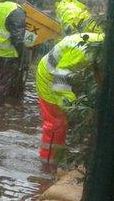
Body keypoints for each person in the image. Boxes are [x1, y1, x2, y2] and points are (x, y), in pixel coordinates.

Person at [35, 33, 104, 161]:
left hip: (59, 76)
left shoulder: (99, 45)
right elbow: (61, 78)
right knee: (56, 124)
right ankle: (47, 163)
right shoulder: (85, 50)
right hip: (49, 78)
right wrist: (74, 107)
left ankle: (56, 157)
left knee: (63, 122)